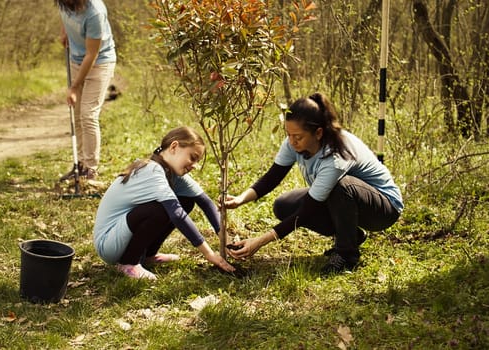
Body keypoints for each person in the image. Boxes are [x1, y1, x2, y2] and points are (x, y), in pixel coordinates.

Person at [224, 93, 404, 274]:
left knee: (342, 187)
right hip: (347, 201)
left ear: (318, 133)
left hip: (383, 209)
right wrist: (240, 199)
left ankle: (346, 255)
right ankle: (351, 236)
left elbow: (306, 211)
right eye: (289, 134)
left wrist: (259, 241)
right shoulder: (293, 142)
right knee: (284, 205)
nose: (292, 141)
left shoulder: (337, 155)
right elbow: (273, 177)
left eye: (298, 137)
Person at [93, 126, 235, 280]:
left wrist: (225, 239)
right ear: (174, 147)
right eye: (192, 157)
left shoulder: (171, 172)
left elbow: (205, 202)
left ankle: (147, 255)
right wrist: (209, 253)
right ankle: (128, 264)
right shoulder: (152, 171)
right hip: (108, 244)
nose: (194, 165)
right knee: (161, 209)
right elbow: (177, 215)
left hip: (121, 236)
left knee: (186, 201)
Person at [56, 0, 116, 180]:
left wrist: (74, 87)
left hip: (99, 63)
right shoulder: (63, 3)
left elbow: (92, 54)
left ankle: (91, 168)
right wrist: (64, 31)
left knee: (88, 115)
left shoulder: (94, 13)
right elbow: (65, 16)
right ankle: (80, 165)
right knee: (77, 114)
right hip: (75, 60)